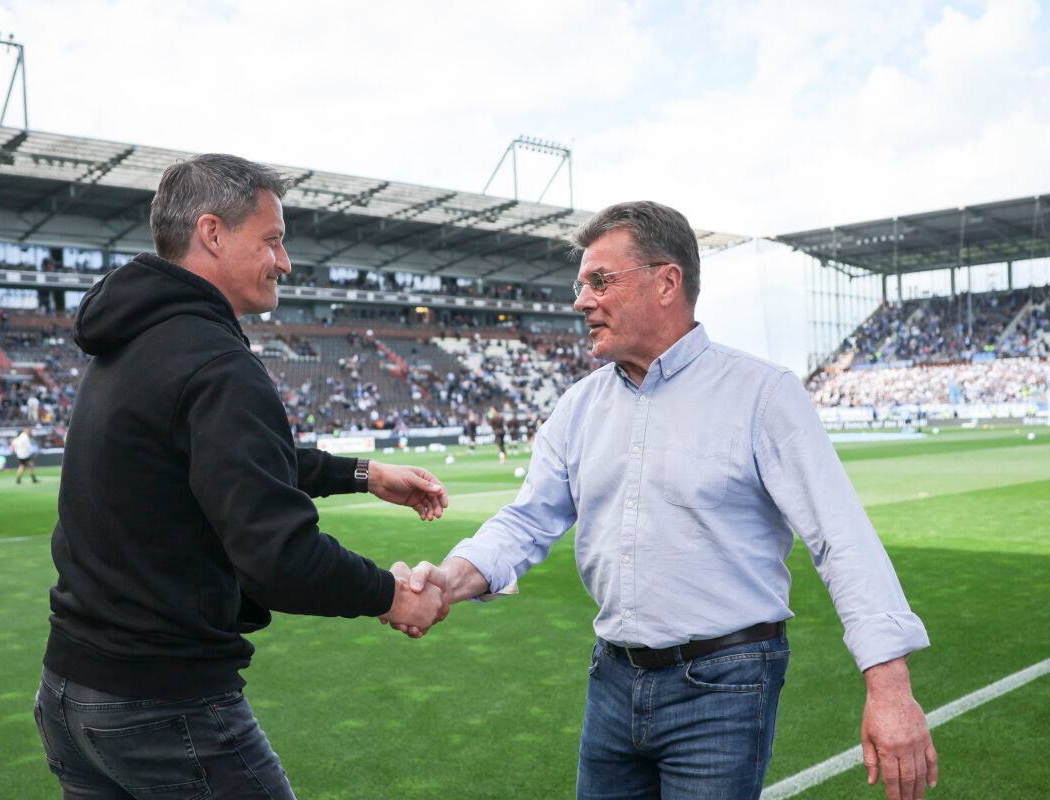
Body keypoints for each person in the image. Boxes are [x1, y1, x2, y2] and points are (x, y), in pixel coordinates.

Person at [393, 201, 937, 800]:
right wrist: (446, 581)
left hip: (725, 684)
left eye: (601, 281)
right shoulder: (579, 406)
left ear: (667, 283)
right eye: (581, 284)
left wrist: (890, 684)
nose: (581, 301)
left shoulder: (762, 394)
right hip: (612, 678)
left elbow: (840, 537)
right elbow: (525, 523)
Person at [35, 154, 451, 799]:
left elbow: (227, 460)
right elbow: (280, 557)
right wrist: (392, 595)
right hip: (161, 703)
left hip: (70, 690)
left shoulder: (130, 338)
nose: (285, 262)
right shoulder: (214, 362)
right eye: (273, 240)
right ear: (212, 233)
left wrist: (363, 474)